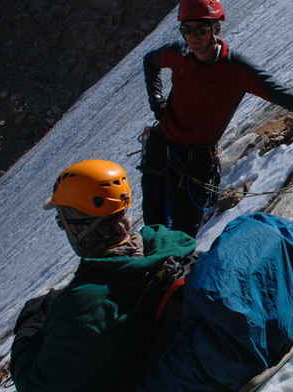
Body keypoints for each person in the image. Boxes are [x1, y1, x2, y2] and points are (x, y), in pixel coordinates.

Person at [141, 0, 293, 236]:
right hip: (161, 150)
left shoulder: (235, 69)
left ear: (216, 29)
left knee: (181, 237)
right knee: (153, 230)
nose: (193, 37)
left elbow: (289, 98)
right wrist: (157, 101)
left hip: (197, 160)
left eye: (201, 29)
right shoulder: (176, 54)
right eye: (187, 29)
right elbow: (150, 62)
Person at [10, 160, 196, 391]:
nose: (64, 229)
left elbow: (35, 386)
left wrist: (31, 323)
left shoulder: (88, 305)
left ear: (80, 226)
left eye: (62, 221)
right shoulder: (167, 246)